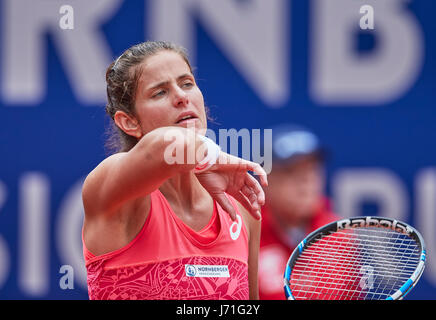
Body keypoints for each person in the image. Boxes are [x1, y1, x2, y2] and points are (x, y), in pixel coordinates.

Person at [81, 41, 268, 300]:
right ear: (129, 122)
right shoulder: (113, 191)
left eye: (187, 83)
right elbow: (166, 146)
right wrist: (209, 156)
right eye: (159, 93)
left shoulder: (240, 209)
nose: (182, 97)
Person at [258, 124, 339, 300]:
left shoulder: (343, 236)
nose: (306, 181)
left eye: (312, 170)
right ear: (265, 179)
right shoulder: (244, 235)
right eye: (292, 171)